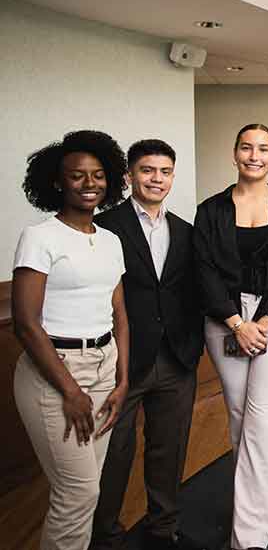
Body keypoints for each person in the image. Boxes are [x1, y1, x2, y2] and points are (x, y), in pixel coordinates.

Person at [194, 124, 268, 550]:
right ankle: (267, 507)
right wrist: (235, 322)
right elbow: (202, 271)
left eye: (263, 148)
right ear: (234, 153)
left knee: (261, 420)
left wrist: (263, 321)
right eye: (246, 147)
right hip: (224, 318)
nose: (254, 155)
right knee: (241, 417)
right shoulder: (210, 211)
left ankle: (248, 539)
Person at [12, 130, 131, 550]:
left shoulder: (111, 240)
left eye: (98, 175)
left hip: (104, 366)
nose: (90, 183)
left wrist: (122, 380)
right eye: (77, 176)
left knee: (85, 492)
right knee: (78, 494)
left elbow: (118, 314)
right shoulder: (40, 237)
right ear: (57, 181)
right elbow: (25, 324)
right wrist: (71, 390)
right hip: (56, 374)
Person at [90, 140, 206, 550]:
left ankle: (162, 529)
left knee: (169, 449)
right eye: (147, 171)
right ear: (129, 176)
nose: (156, 179)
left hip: (176, 358)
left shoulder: (187, 231)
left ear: (172, 177)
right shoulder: (103, 227)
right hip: (121, 361)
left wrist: (193, 345)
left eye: (164, 172)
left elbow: (193, 291)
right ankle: (104, 535)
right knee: (115, 452)